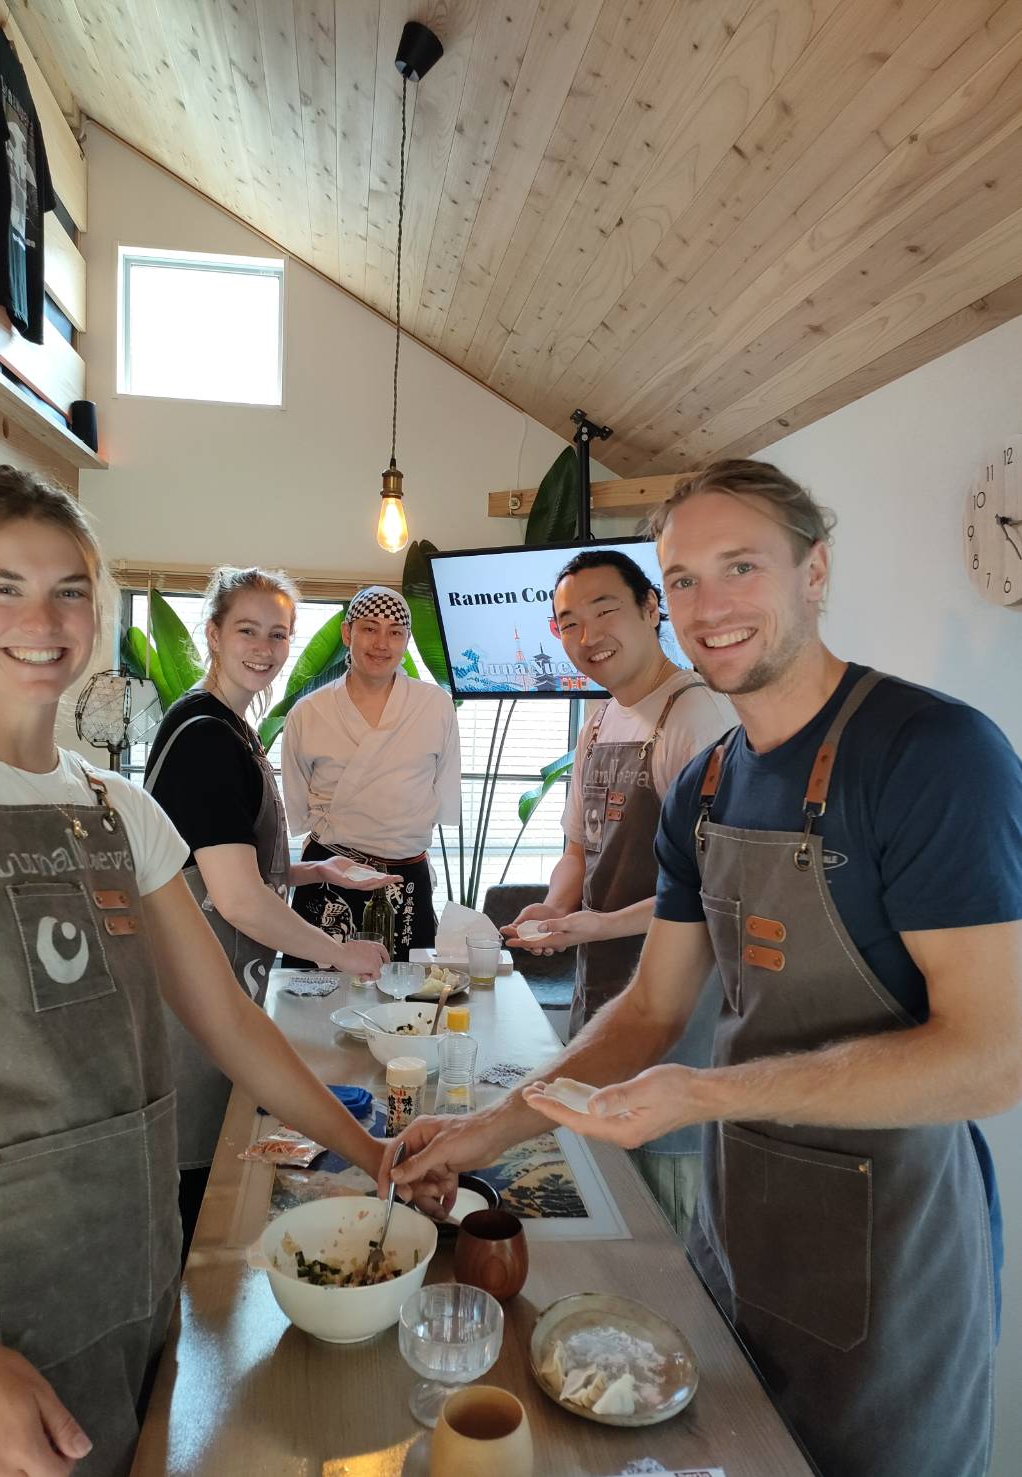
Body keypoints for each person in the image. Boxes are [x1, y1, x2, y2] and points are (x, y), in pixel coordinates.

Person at [385, 459, 1022, 1477]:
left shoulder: (932, 755)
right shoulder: (706, 788)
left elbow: (992, 1056)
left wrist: (704, 1090)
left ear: (814, 572)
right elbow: (648, 1011)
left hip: (894, 1253)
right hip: (738, 1226)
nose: (707, 607)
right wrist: (479, 1134)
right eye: (682, 578)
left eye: (740, 567)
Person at [0, 470, 440, 1477]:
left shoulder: (117, 807)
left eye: (71, 588)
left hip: (128, 1275)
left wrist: (365, 1150)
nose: (44, 617)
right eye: (4, 586)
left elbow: (231, 1024)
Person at [143, 566, 392, 1254]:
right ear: (214, 634)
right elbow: (236, 897)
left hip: (221, 994)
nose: (264, 646)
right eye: (246, 629)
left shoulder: (229, 727)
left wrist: (315, 868)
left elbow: (215, 853)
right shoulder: (206, 738)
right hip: (191, 1008)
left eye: (278, 633)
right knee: (200, 1198)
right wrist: (339, 951)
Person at [502, 548, 735, 1234]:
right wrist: (556, 904)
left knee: (663, 1218)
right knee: (606, 1202)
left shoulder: (695, 717)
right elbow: (579, 848)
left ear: (650, 608)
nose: (586, 634)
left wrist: (592, 926)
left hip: (676, 1015)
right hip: (603, 994)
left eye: (605, 609)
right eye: (568, 621)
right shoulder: (602, 719)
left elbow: (709, 884)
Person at [281, 585, 461, 963]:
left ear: (407, 641)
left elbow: (442, 786)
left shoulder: (435, 706)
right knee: (316, 994)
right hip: (330, 870)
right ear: (348, 633)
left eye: (395, 632)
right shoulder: (308, 711)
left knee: (409, 998)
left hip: (405, 875)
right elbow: (296, 799)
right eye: (370, 628)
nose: (382, 643)